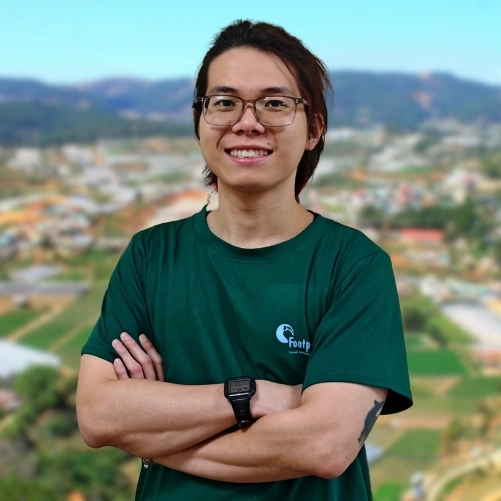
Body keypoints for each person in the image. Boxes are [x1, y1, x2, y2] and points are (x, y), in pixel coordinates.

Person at [76, 19, 413, 501]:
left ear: (315, 129)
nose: (247, 122)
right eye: (224, 102)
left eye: (275, 103)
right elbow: (98, 415)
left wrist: (154, 434)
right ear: (199, 122)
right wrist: (250, 395)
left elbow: (324, 445)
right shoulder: (150, 256)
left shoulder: (354, 265)